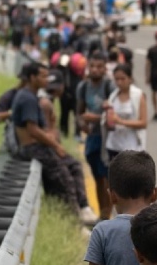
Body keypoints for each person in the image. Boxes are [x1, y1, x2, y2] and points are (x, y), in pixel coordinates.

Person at [10, 62, 98, 225]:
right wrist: (55, 145)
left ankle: (84, 208)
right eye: (43, 76)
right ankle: (75, 223)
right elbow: (33, 130)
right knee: (64, 178)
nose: (47, 79)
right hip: (31, 148)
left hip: (38, 146)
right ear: (32, 77)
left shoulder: (32, 96)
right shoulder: (28, 98)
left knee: (74, 165)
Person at [77, 53, 116, 220]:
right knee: (98, 179)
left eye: (99, 67)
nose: (95, 70)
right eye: (92, 66)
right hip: (92, 139)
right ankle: (102, 214)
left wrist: (95, 118)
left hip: (108, 140)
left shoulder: (110, 87)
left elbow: (115, 115)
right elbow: (79, 112)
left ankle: (107, 214)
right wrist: (82, 124)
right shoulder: (83, 87)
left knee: (108, 179)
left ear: (105, 68)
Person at [104, 64, 148, 163]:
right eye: (117, 79)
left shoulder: (138, 96)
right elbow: (110, 124)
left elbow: (143, 123)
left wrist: (120, 121)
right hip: (114, 145)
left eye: (123, 79)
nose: (119, 82)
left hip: (132, 147)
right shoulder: (113, 96)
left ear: (130, 79)